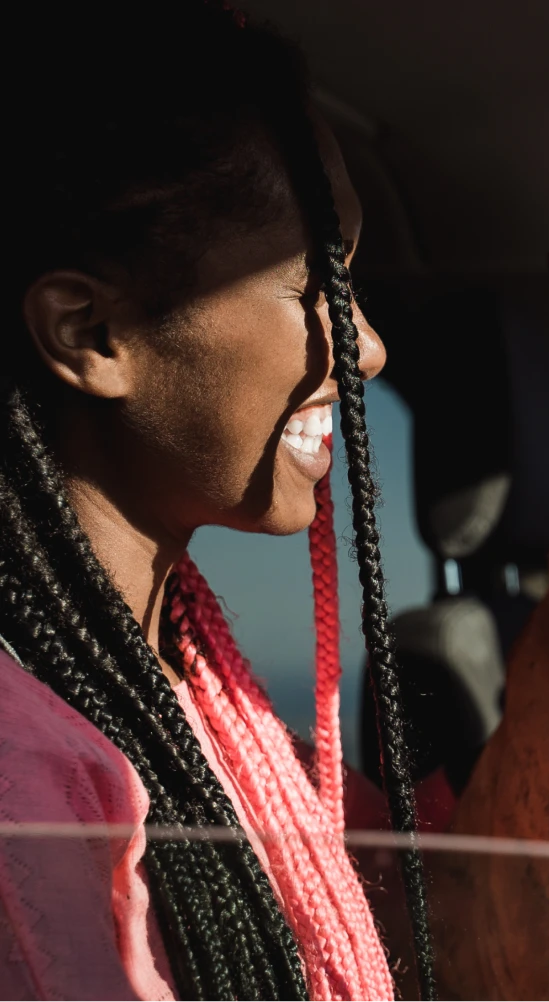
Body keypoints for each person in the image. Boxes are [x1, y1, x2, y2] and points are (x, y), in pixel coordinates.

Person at [1, 4, 435, 1000]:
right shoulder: (30, 777)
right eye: (313, 288)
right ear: (91, 335)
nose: (365, 347)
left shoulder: (191, 680)